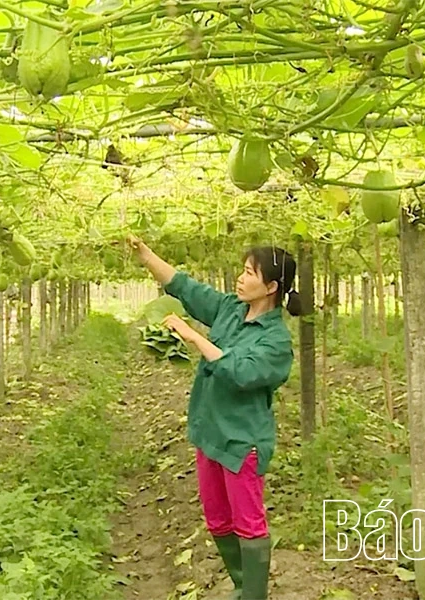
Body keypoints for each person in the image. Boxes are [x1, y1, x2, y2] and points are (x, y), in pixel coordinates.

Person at [128, 235, 302, 600]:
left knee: (248, 524)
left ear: (271, 287)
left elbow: (239, 372)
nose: (241, 278)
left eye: (250, 273)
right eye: (242, 270)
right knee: (218, 520)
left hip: (241, 441)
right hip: (210, 434)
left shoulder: (276, 341)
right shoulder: (230, 309)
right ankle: (242, 587)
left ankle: (254, 595)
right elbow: (184, 286)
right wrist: (145, 255)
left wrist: (194, 337)